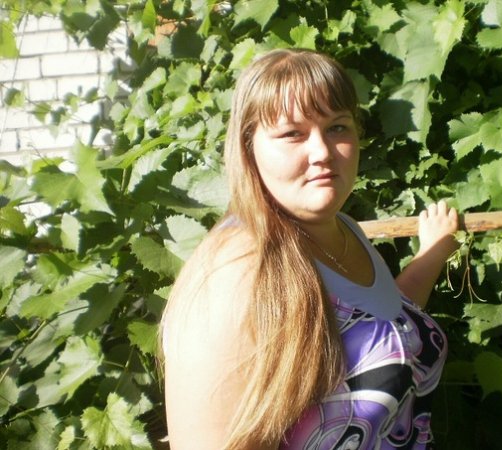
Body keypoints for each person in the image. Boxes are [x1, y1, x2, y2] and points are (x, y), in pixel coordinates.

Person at [160, 48, 459, 450]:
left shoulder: (344, 230)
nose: (322, 152)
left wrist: (432, 253)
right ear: (248, 148)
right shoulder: (234, 274)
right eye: (292, 134)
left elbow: (379, 328)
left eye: (337, 127)